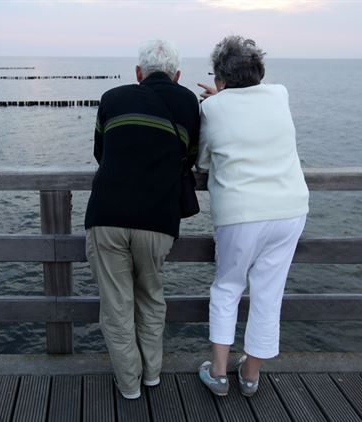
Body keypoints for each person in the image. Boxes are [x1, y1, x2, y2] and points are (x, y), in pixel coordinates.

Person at [85, 39, 200, 399]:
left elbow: (99, 152)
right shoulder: (188, 102)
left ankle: (129, 385)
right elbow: (192, 156)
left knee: (116, 306)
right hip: (158, 221)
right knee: (151, 297)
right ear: (178, 76)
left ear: (138, 73)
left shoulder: (112, 97)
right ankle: (152, 375)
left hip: (107, 215)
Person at [195, 36, 309, 397]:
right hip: (290, 209)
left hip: (241, 213)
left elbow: (202, 161)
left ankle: (217, 373)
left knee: (228, 287)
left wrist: (218, 103)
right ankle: (250, 374)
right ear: (259, 71)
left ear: (220, 78)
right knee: (269, 292)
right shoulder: (280, 94)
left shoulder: (212, 109)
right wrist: (225, 99)